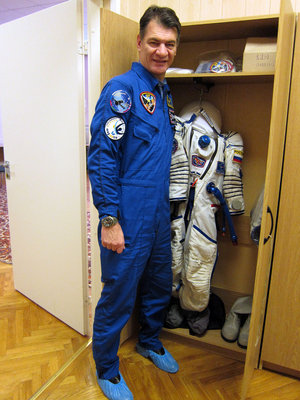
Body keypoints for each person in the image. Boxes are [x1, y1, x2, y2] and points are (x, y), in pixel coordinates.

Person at [87, 5, 181, 400]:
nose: (162, 51)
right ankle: (107, 367)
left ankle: (149, 340)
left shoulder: (163, 93)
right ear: (139, 42)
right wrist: (109, 218)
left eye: (170, 44)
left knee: (160, 283)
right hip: (127, 213)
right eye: (155, 42)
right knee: (119, 292)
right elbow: (102, 156)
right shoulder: (121, 91)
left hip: (158, 212)